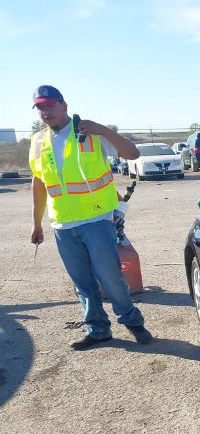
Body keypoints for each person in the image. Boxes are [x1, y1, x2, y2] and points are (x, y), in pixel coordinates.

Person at [28, 85, 153, 350]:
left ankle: (133, 322)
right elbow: (39, 182)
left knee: (110, 278)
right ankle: (98, 330)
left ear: (64, 105)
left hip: (96, 220)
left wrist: (104, 130)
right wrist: (37, 223)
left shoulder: (90, 132)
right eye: (40, 107)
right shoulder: (38, 141)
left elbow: (133, 154)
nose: (46, 111)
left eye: (50, 105)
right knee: (82, 283)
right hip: (63, 224)